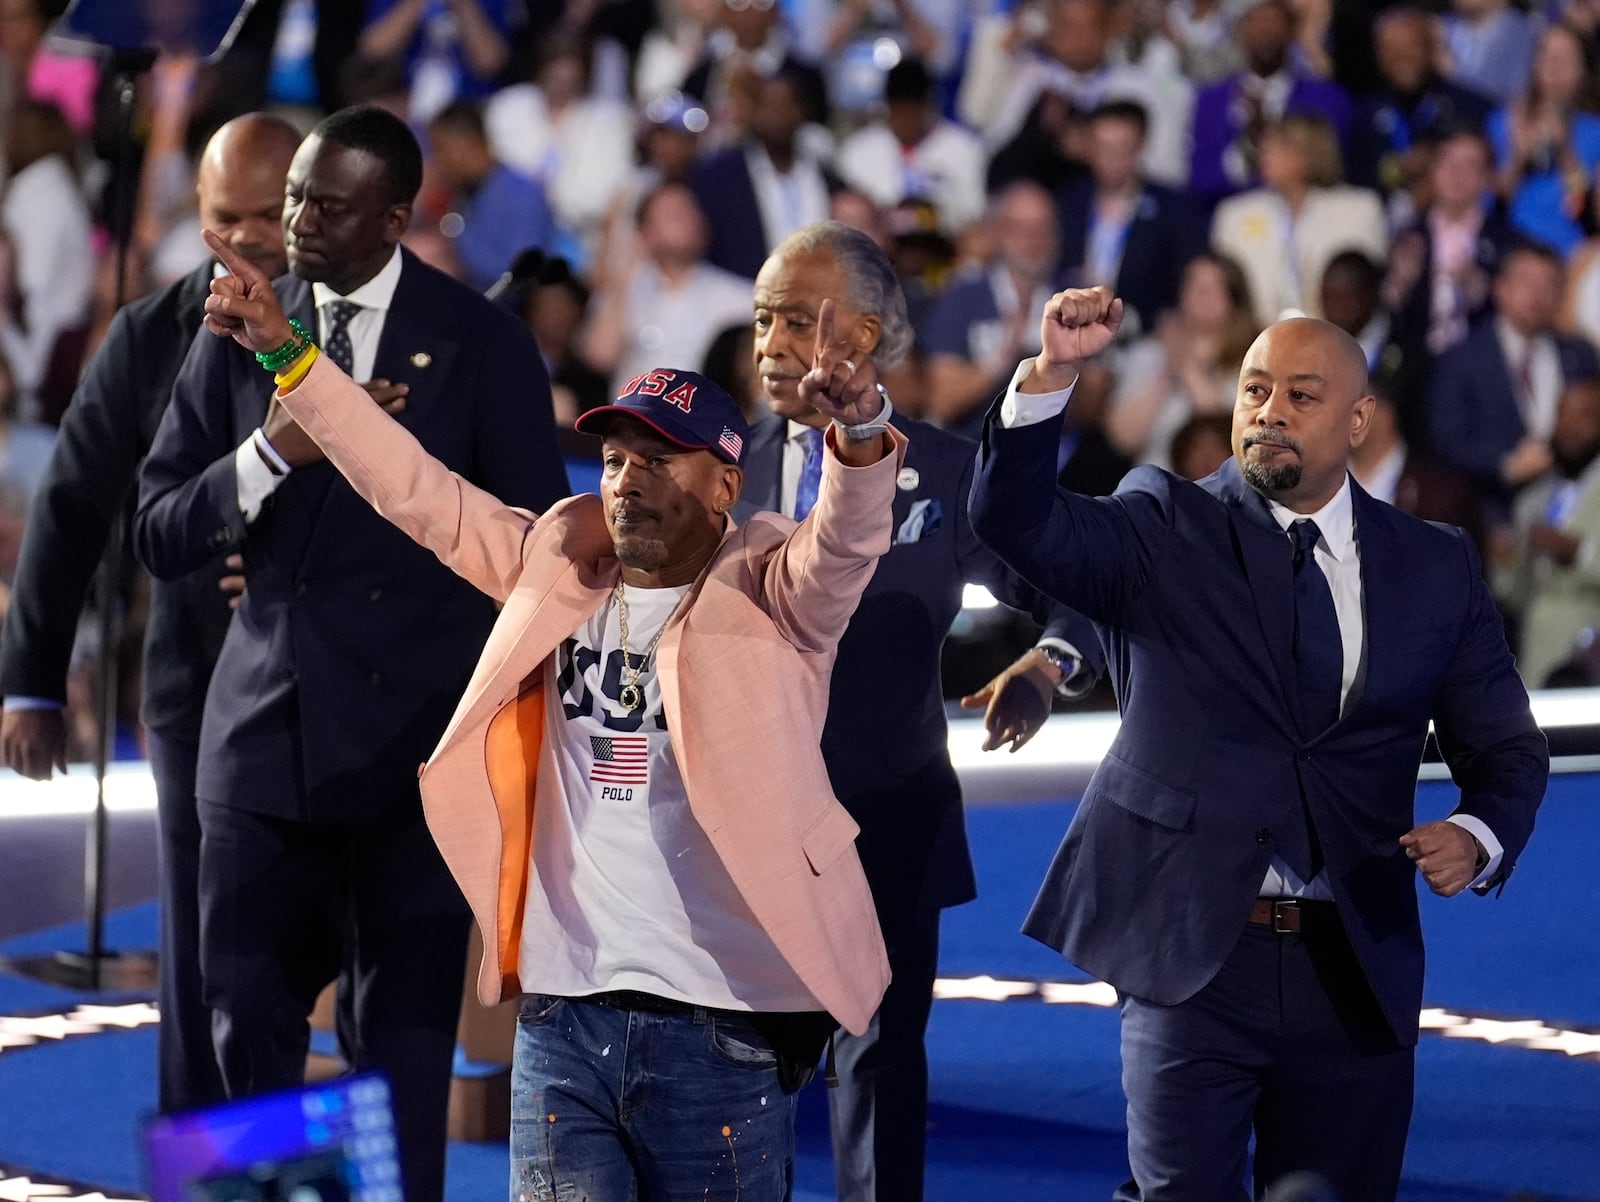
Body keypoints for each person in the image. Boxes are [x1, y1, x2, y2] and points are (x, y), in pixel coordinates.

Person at [196, 218, 903, 1202]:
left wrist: (859, 435)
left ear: (725, 484)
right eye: (615, 458)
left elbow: (847, 541)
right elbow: (413, 487)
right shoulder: (555, 563)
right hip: (561, 1025)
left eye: (660, 459)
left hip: (719, 1025)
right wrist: (285, 351)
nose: (627, 480)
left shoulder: (779, 590)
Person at [968, 283, 1548, 1201]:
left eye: (1301, 395)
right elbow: (1016, 522)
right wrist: (1050, 377)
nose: (1270, 412)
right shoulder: (1162, 520)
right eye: (1254, 390)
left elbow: (1507, 748)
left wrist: (1478, 831)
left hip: (1355, 965)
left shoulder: (1435, 564)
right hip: (1194, 959)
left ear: (1359, 420)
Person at [133, 105, 569, 1202]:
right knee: (245, 1021)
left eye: (323, 205)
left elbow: (536, 547)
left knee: (405, 1050)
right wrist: (270, 452)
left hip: (415, 752)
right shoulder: (232, 331)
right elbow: (160, 527)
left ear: (393, 215)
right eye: (292, 199)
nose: (294, 221)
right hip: (261, 737)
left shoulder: (481, 341)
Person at [736, 220, 1102, 1202]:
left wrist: (1046, 662)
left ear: (861, 338)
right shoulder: (710, 465)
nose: (769, 342)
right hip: (735, 829)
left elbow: (1073, 590)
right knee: (731, 1082)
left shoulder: (942, 469)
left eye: (795, 321)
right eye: (761, 318)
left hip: (884, 819)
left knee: (879, 1068)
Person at [0, 113, 303, 1115]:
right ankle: (208, 1174)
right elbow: (71, 512)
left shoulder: (367, 337)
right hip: (193, 698)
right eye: (229, 216)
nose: (252, 237)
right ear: (200, 219)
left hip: (350, 703)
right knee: (205, 963)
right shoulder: (147, 336)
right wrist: (32, 682)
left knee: (335, 959)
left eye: (274, 212)